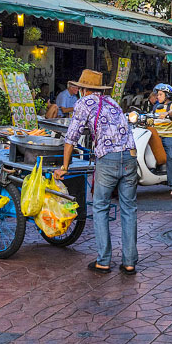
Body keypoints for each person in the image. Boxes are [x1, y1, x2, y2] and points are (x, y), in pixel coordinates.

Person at [53, 69, 138, 275]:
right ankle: (129, 262)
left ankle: (104, 260)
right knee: (129, 209)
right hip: (130, 157)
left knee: (100, 207)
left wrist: (64, 167)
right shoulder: (112, 102)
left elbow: (71, 137)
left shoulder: (83, 103)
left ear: (83, 89)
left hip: (107, 159)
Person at [152, 83, 172, 197]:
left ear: (167, 95)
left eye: (160, 94)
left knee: (171, 157)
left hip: (171, 136)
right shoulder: (156, 107)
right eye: (157, 95)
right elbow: (151, 120)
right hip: (157, 136)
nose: (157, 97)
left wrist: (167, 113)